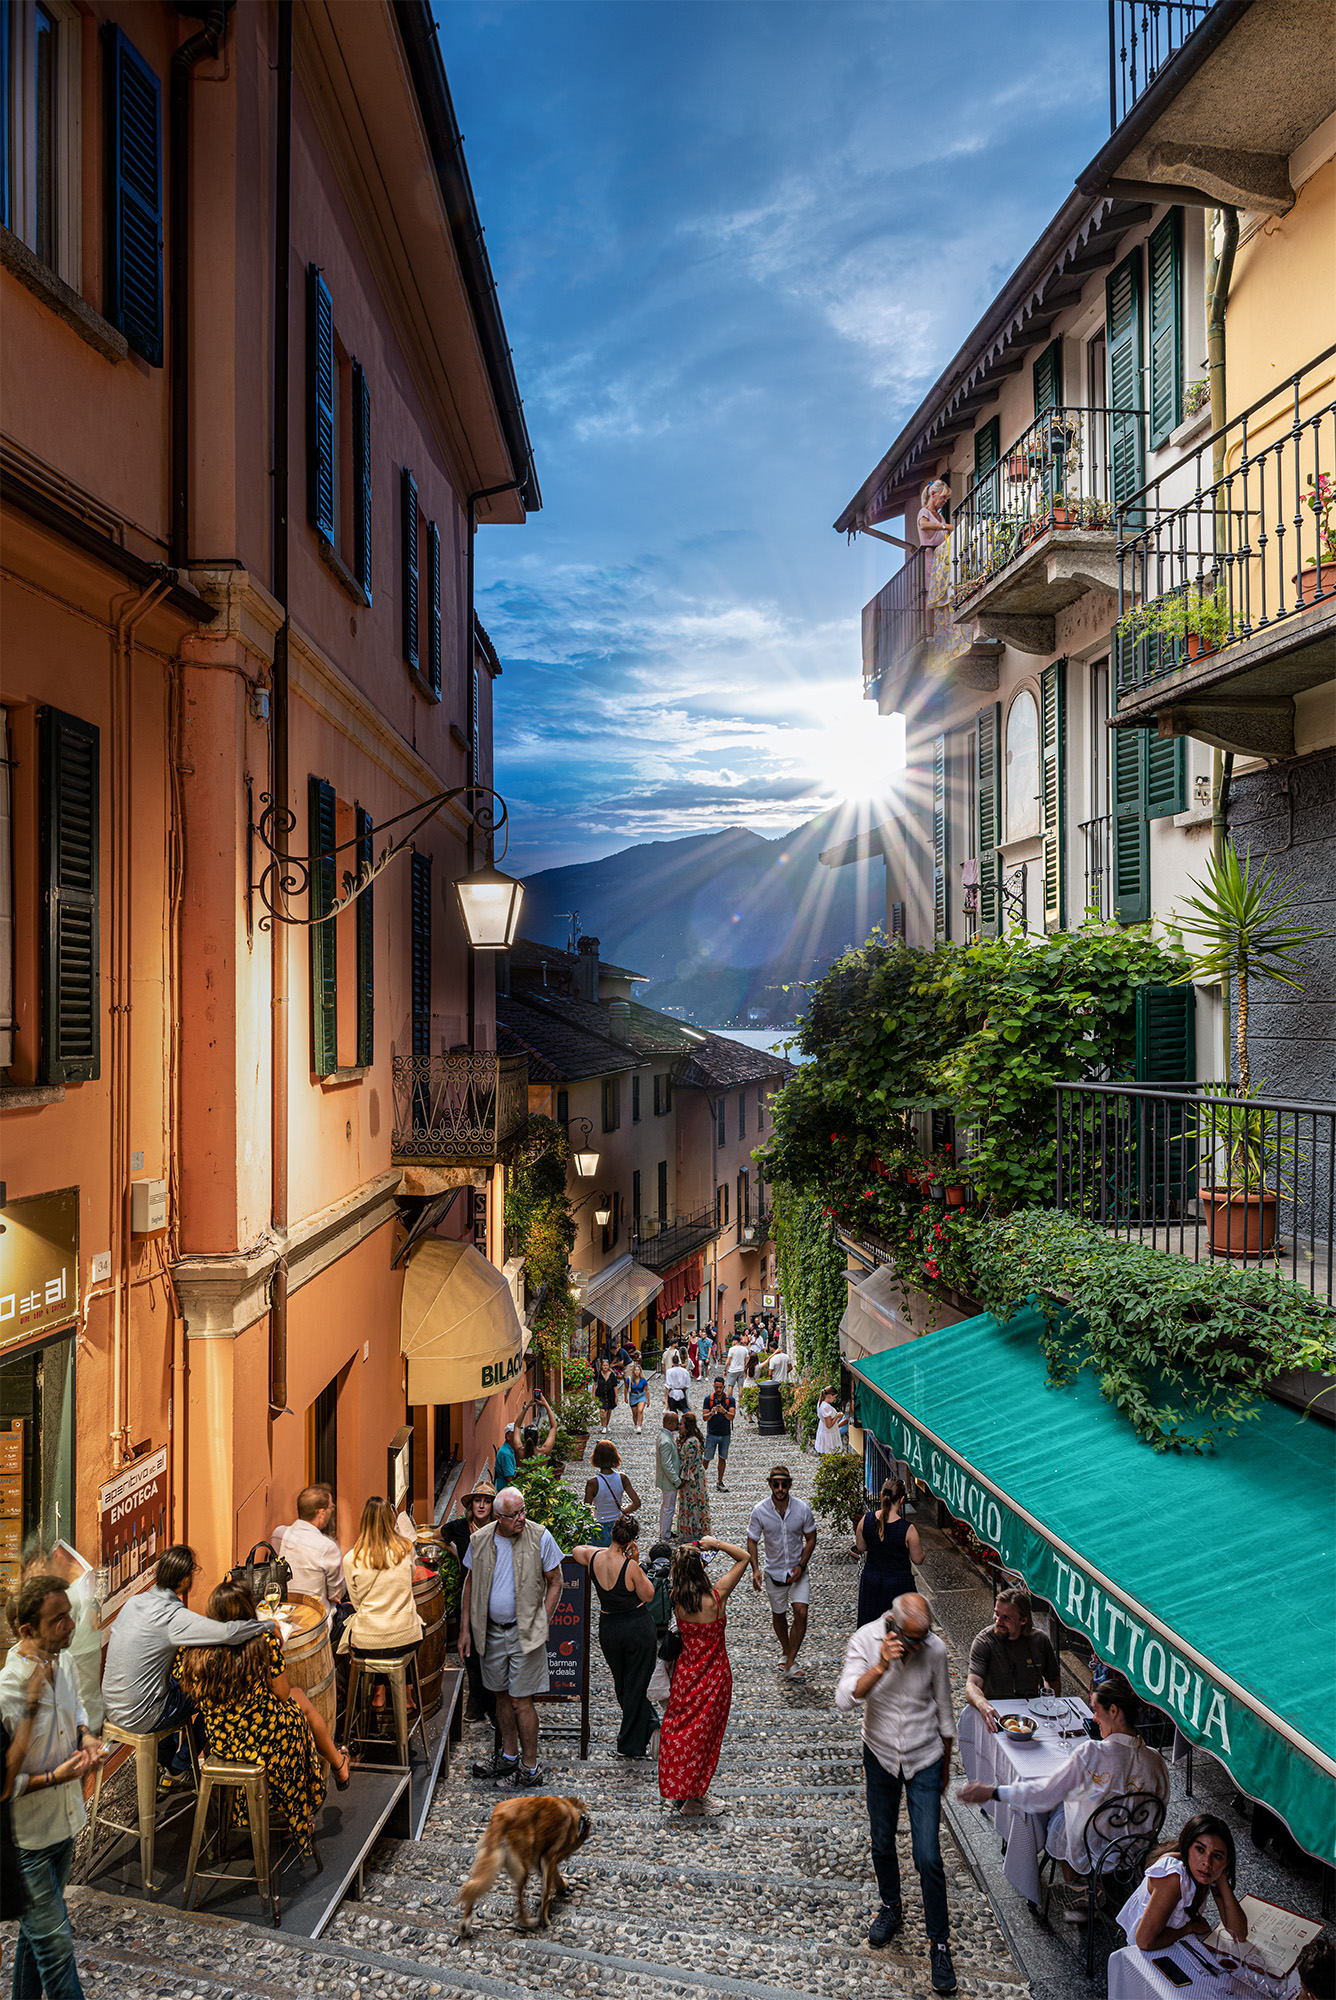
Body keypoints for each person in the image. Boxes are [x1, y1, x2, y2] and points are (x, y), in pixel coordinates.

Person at [836, 1591, 957, 1993]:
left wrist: (946, 1763)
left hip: (925, 1757)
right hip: (881, 1756)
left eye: (925, 1639)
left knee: (928, 1855)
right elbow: (845, 1699)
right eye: (914, 1640)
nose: (921, 1647)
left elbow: (944, 1709)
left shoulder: (934, 1650)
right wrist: (882, 1664)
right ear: (892, 1626)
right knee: (882, 1841)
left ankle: (940, 1944)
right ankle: (892, 1906)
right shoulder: (867, 1640)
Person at [959, 1675, 1168, 1906]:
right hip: (1134, 1847)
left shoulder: (1092, 1753)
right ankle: (1094, 1891)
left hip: (1093, 1846)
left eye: (1097, 1710)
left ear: (1115, 1711)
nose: (1093, 1717)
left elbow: (1043, 1794)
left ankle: (1079, 1891)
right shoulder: (1156, 1760)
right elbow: (1160, 1806)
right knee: (1079, 1803)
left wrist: (994, 1792)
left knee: (1061, 1815)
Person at [0, 1573, 107, 2000]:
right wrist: (54, 1778)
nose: (70, 1625)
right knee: (58, 1952)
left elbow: (77, 1701)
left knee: (35, 1941)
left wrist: (85, 1734)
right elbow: (3, 1785)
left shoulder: (59, 1660)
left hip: (65, 1828)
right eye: (58, 1619)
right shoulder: (7, 1695)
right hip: (28, 1841)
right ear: (27, 1630)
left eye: (70, 1614)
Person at [175, 1581, 347, 1845]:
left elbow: (187, 1686)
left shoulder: (194, 1647)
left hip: (223, 1742)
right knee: (297, 1706)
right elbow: (281, 1693)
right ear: (247, 1612)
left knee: (296, 1704)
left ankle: (335, 1766)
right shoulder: (261, 1643)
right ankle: (330, 1774)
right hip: (267, 1744)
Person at [102, 1544, 263, 1765]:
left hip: (112, 1707)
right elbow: (229, 1633)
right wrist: (266, 1626)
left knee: (169, 1684)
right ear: (185, 1578)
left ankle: (166, 1765)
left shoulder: (134, 1602)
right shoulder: (172, 1616)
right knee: (216, 1694)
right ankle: (180, 1766)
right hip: (141, 1715)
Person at [461, 1487, 564, 1787]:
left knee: (521, 1700)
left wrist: (540, 1622)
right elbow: (469, 1582)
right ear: (498, 1517)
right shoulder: (480, 1540)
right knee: (501, 1696)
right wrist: (465, 1629)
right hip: (491, 1631)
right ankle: (508, 1756)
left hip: (524, 1634)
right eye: (514, 1514)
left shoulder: (540, 1536)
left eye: (523, 1511)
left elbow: (556, 1582)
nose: (522, 1518)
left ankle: (530, 1768)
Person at [658, 1538, 751, 1817]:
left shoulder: (678, 1600)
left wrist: (691, 1552)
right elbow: (745, 1558)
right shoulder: (717, 1598)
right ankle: (696, 1797)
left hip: (686, 1677)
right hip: (714, 1678)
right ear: (702, 1569)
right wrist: (717, 1544)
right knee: (706, 1739)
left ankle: (687, 1790)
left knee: (684, 1734)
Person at [569, 1516, 660, 1759]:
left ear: (611, 1534)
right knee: (636, 1684)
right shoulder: (630, 1566)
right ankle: (636, 1740)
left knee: (622, 1684)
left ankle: (645, 1730)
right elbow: (649, 1595)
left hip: (609, 1627)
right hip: (637, 1626)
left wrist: (607, 1549)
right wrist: (636, 1562)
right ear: (631, 1540)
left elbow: (577, 1550)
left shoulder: (595, 1558)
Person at [1117, 1813, 1249, 1953]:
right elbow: (1145, 1942)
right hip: (1144, 1951)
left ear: (1226, 1861)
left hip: (1174, 1941)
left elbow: (1239, 1934)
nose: (1207, 1863)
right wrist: (1190, 1928)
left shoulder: (1207, 1873)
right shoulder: (1173, 1877)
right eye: (1200, 1849)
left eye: (1217, 1856)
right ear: (1187, 1847)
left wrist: (1221, 1878)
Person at [747, 1466, 817, 1680]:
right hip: (773, 1572)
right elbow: (752, 1539)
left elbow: (811, 1538)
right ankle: (787, 1651)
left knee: (801, 1612)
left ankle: (790, 1659)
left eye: (783, 1484)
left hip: (798, 1570)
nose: (780, 1488)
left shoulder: (802, 1509)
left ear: (790, 1484)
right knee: (779, 1615)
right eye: (775, 1484)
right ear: (770, 1484)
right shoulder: (760, 1510)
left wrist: (802, 1566)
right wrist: (756, 1569)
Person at [343, 1497, 424, 1674]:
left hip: (367, 1640)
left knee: (370, 1637)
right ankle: (408, 1694)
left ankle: (378, 1691)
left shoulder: (351, 1558)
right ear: (391, 1520)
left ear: (364, 1521)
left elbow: (357, 1604)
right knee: (411, 1626)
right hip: (407, 1636)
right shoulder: (406, 1548)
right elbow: (408, 1584)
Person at [963, 1587, 1062, 1731]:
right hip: (997, 1712)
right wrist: (983, 1705)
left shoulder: (1040, 1640)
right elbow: (972, 1685)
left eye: (1006, 1618)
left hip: (1031, 1714)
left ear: (1023, 1620)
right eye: (996, 1614)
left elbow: (1053, 1680)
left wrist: (1050, 1709)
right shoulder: (984, 1641)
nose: (998, 1621)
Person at [442, 1479, 497, 1724]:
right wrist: (457, 1553)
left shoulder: (499, 1527)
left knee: (493, 1652)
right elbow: (438, 1535)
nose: (482, 1505)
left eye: (486, 1501)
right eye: (478, 1500)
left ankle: (495, 1709)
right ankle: (475, 1706)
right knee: (472, 1654)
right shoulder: (461, 1527)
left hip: (494, 1594)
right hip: (470, 1593)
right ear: (471, 1504)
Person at [274, 1483, 350, 1637]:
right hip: (317, 1620)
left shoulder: (278, 1534)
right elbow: (335, 1594)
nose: (331, 1512)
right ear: (321, 1512)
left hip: (283, 1614)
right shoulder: (327, 1546)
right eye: (331, 1508)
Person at [856, 1480, 924, 1628]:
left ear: (881, 1496)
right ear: (902, 1500)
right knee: (900, 1630)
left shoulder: (865, 1520)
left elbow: (861, 1547)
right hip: (898, 1585)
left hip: (872, 1581)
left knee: (871, 1628)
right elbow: (918, 1559)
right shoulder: (908, 1529)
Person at [584, 1440, 641, 1547]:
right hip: (617, 1527)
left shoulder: (592, 1483)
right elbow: (637, 1502)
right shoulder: (622, 1478)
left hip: (598, 1527)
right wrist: (624, 1511)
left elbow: (586, 1510)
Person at [676, 1413, 711, 1543]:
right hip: (693, 1476)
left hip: (693, 1479)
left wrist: (681, 1481)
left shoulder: (691, 1442)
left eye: (681, 1424)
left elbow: (688, 1465)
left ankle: (694, 1531)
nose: (678, 1426)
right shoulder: (688, 1439)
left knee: (692, 1503)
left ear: (687, 1426)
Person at [701, 1375, 735, 1492]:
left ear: (724, 1387)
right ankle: (699, 1480)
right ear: (714, 1387)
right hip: (712, 1433)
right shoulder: (708, 1399)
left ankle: (719, 1481)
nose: (718, 1390)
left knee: (722, 1458)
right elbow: (704, 1417)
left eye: (720, 1387)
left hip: (725, 1434)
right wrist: (712, 1413)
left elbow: (732, 1416)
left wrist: (723, 1411)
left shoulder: (730, 1400)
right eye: (716, 1387)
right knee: (707, 1458)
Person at [656, 1410, 682, 1540]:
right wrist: (676, 1480)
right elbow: (667, 1465)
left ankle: (664, 1531)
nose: (678, 1425)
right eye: (676, 1423)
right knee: (668, 1508)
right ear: (669, 1423)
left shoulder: (664, 1436)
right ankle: (665, 1534)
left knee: (665, 1507)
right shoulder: (665, 1440)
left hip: (666, 1480)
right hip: (668, 1481)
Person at [814, 1384, 843, 1454]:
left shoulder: (821, 1403)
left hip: (824, 1431)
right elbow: (829, 1425)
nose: (835, 1399)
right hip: (828, 1434)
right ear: (830, 1396)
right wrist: (837, 1416)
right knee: (830, 1452)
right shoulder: (826, 1407)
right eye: (835, 1397)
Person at [595, 1357, 618, 1433]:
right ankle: (603, 1426)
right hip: (600, 1394)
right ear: (601, 1366)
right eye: (604, 1365)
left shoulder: (612, 1375)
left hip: (610, 1395)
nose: (605, 1367)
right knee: (602, 1411)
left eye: (607, 1365)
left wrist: (616, 1397)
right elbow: (594, 1385)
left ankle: (607, 1424)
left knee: (608, 1410)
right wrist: (592, 1396)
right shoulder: (598, 1374)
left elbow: (615, 1386)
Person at [665, 1349, 692, 1415]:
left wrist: (665, 1397)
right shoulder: (684, 1371)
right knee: (684, 1409)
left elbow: (667, 1385)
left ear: (672, 1362)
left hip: (672, 1392)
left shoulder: (669, 1371)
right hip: (681, 1392)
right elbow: (687, 1385)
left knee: (673, 1411)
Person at [626, 1358, 649, 1432]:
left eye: (638, 1370)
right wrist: (625, 1397)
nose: (637, 1372)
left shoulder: (643, 1380)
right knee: (634, 1413)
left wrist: (648, 1400)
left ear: (640, 1371)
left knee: (640, 1410)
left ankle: (639, 1426)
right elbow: (626, 1388)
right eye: (635, 1370)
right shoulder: (629, 1379)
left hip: (641, 1395)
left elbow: (646, 1390)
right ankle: (635, 1424)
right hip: (633, 1396)